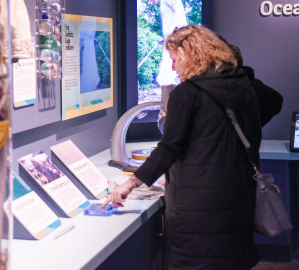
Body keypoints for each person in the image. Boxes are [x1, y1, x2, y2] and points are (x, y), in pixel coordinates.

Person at [103, 25, 262, 269]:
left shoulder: (186, 94)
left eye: (175, 59)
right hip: (238, 194)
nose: (173, 67)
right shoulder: (242, 86)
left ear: (191, 54)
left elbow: (169, 147)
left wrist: (131, 183)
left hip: (199, 204)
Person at [142, 0, 188, 86]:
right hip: (172, 41)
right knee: (168, 76)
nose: (150, 1)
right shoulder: (163, 1)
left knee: (170, 76)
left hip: (176, 41)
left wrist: (174, 32)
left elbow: (179, 10)